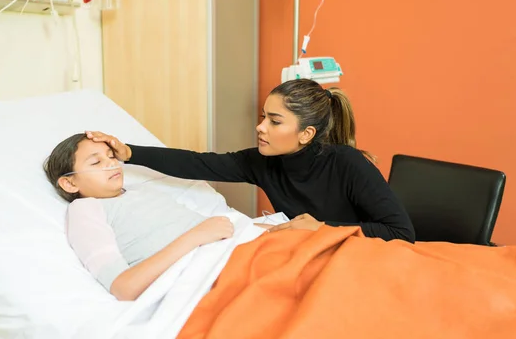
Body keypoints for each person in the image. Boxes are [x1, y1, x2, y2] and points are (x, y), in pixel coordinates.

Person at [86, 79, 416, 243]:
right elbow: (199, 163)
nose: (260, 127)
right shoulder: (262, 162)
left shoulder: (347, 164)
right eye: (263, 117)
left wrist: (322, 229)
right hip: (313, 258)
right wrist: (130, 153)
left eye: (274, 121)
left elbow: (401, 233)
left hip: (365, 259)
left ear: (306, 133)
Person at [43, 133, 239, 301]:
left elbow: (210, 228)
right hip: (204, 274)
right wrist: (195, 237)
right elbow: (124, 287)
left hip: (232, 250)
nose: (111, 163)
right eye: (96, 162)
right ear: (69, 184)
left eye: (111, 156)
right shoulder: (86, 208)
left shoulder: (143, 192)